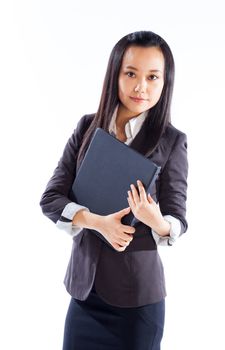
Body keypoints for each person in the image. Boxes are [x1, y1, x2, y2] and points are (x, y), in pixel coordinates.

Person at [40, 30, 188, 350]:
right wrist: (96, 222)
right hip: (84, 295)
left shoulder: (172, 141)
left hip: (137, 304)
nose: (141, 87)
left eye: (153, 77)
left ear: (165, 83)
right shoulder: (87, 128)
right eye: (131, 73)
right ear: (115, 74)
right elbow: (51, 198)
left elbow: (177, 220)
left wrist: (154, 219)